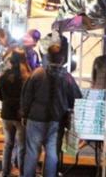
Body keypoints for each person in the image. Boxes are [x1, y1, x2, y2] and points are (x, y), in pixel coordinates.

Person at [20, 43, 82, 177]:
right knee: (52, 153)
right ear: (63, 59)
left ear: (47, 57)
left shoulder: (37, 73)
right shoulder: (67, 78)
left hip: (35, 118)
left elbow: (26, 96)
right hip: (56, 120)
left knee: (31, 152)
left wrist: (24, 114)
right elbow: (77, 98)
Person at [0, 48, 30, 177]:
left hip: (6, 114)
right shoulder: (25, 77)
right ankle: (22, 173)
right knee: (22, 147)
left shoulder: (3, 76)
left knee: (8, 144)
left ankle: (5, 172)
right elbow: (28, 97)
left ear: (10, 61)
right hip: (20, 115)